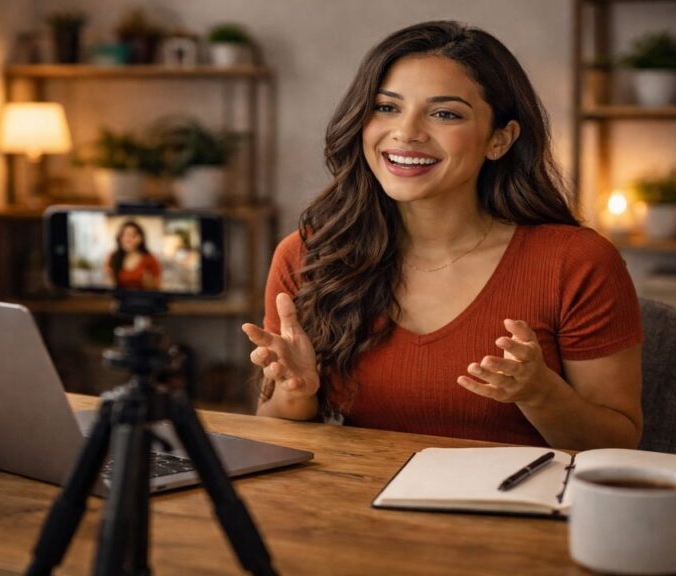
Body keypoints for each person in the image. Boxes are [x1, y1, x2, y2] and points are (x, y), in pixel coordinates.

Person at [241, 21, 643, 451]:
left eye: (445, 113)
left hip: (520, 509)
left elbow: (618, 443)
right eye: (386, 107)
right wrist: (296, 391)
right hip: (360, 506)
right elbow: (278, 433)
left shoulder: (576, 261)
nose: (407, 132)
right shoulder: (309, 255)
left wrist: (540, 394)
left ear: (500, 139)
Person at [105, 220, 162, 291]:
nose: (127, 239)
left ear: (141, 238)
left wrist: (150, 283)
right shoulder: (113, 257)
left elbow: (158, 287)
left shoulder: (150, 259)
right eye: (123, 235)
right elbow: (109, 286)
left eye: (132, 235)